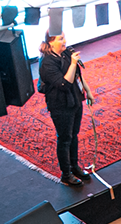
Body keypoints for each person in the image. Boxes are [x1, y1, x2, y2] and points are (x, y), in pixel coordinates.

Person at [38, 30, 91, 186]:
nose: (65, 41)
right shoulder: (46, 63)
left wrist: (87, 91)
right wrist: (73, 63)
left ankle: (75, 167)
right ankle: (66, 174)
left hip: (74, 99)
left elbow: (77, 76)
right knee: (65, 138)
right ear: (51, 42)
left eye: (64, 37)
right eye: (61, 39)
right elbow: (64, 84)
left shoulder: (66, 53)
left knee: (74, 135)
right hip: (60, 104)